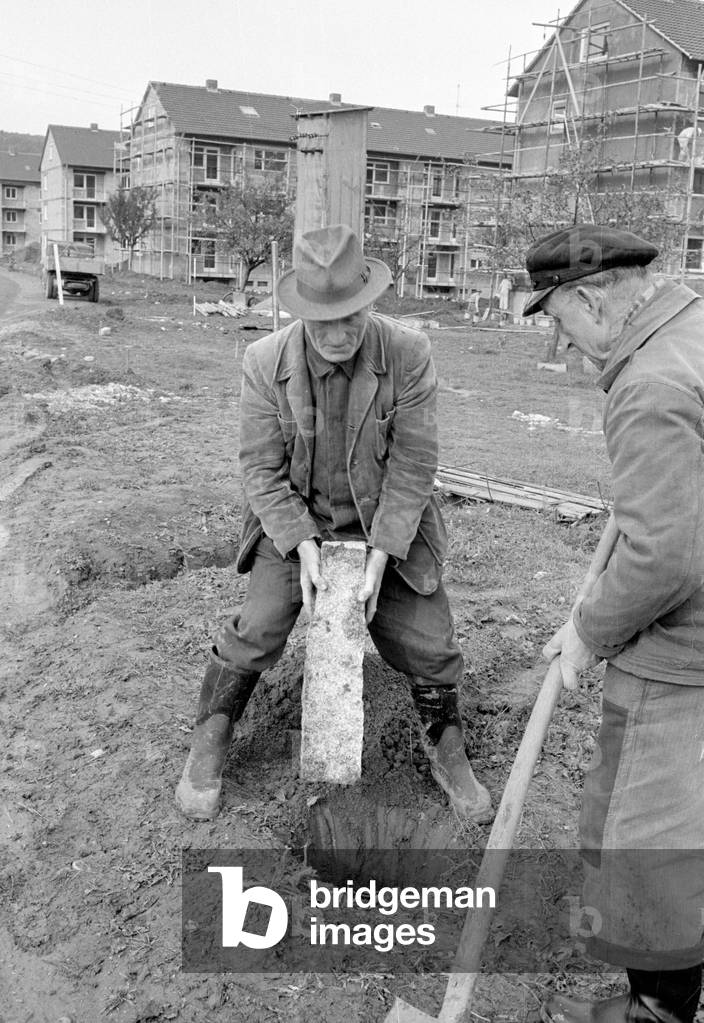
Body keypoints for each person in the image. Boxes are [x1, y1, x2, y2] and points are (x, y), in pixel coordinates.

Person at [175, 223, 492, 824]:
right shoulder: (263, 362)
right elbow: (261, 471)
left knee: (428, 642)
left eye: (352, 316)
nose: (339, 333)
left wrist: (379, 557)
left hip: (386, 525)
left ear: (370, 301)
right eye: (323, 321)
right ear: (300, 313)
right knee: (261, 627)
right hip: (297, 522)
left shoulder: (408, 353)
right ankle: (210, 739)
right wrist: (302, 547)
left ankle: (445, 744)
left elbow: (414, 464)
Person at [523, 225, 704, 1023]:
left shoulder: (651, 385)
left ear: (595, 299)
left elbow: (665, 557)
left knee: (646, 841)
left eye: (561, 324)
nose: (562, 347)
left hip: (683, 655)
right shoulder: (690, 330)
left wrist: (590, 632)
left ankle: (655, 1011)